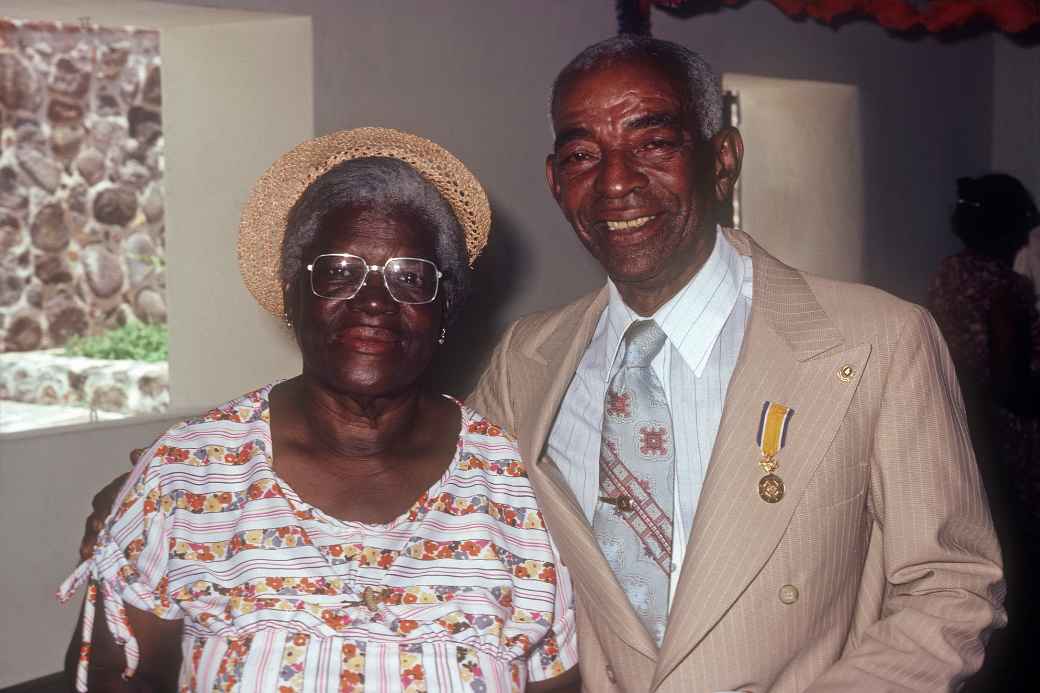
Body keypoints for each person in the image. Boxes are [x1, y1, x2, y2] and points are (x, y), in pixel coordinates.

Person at [79, 37, 1005, 692]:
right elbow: (411, 474)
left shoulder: (874, 342)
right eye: (582, 153)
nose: (617, 182)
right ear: (557, 180)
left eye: (653, 140)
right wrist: (163, 488)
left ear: (722, 158)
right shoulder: (533, 358)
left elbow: (954, 584)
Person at [60, 127, 579, 692]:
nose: (374, 301)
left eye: (409, 277)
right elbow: (113, 677)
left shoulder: (516, 485)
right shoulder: (188, 473)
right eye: (338, 271)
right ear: (291, 293)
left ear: (444, 309)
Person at [929, 174, 1040, 690]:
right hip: (1005, 437)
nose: (1026, 240)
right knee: (1016, 556)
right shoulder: (1004, 288)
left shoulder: (949, 273)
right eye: (1023, 227)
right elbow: (1012, 383)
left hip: (958, 427)